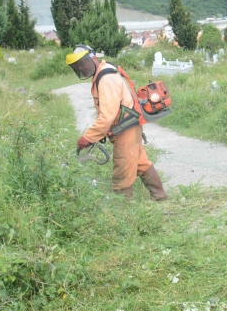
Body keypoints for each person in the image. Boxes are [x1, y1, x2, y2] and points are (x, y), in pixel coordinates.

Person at [65, 45, 167, 200]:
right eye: (77, 66)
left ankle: (124, 211)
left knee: (122, 172)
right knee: (141, 163)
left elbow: (107, 116)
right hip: (128, 126)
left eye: (83, 63)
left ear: (94, 58)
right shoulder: (103, 72)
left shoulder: (106, 79)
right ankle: (160, 196)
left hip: (125, 129)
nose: (81, 67)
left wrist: (88, 137)